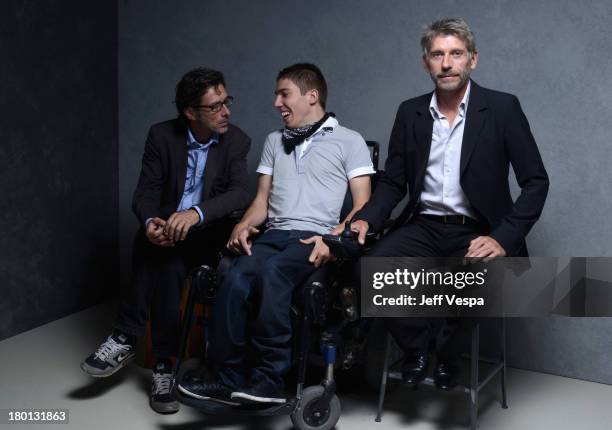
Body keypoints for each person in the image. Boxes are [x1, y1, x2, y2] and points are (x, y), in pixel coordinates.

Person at [350, 17, 549, 390]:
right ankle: (419, 351)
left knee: (481, 279)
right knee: (372, 265)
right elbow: (393, 181)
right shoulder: (409, 112)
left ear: (472, 59)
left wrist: (503, 238)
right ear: (426, 62)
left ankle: (447, 356)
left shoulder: (503, 108)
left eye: (455, 54)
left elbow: (536, 182)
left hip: (477, 229)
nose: (446, 63)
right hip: (422, 226)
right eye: (437, 54)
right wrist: (366, 219)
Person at [178, 63, 375, 405]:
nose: (276, 103)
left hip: (312, 237)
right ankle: (228, 379)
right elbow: (261, 202)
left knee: (273, 273)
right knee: (236, 276)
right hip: (274, 234)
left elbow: (363, 206)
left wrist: (332, 240)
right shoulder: (273, 141)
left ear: (311, 96)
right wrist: (243, 225)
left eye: (284, 94)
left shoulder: (350, 140)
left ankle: (268, 380)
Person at [80, 68, 252, 413]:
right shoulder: (161, 136)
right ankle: (164, 367)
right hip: (166, 232)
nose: (226, 112)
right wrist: (150, 222)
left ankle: (126, 336)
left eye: (226, 102)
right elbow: (144, 193)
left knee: (167, 257)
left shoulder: (237, 140)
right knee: (160, 254)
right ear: (190, 112)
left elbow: (238, 194)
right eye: (215, 106)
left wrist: (196, 214)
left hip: (209, 232)